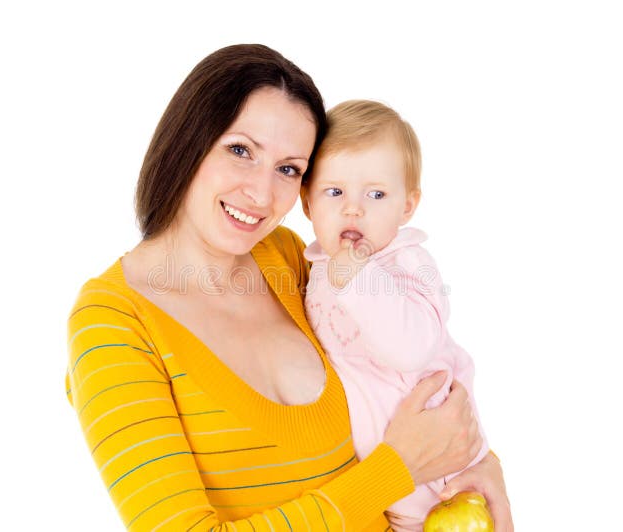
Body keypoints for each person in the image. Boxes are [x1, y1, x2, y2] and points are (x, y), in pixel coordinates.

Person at [65, 44, 513, 531]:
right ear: (188, 140)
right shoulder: (111, 323)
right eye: (241, 151)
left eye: (289, 169)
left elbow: (401, 364)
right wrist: (397, 470)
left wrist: (477, 462)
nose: (261, 194)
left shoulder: (286, 256)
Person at [300, 100, 490, 531]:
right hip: (380, 480)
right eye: (335, 192)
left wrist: (358, 278)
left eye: (376, 194)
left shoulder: (408, 263)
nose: (354, 209)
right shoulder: (316, 269)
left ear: (407, 206)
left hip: (442, 478)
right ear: (307, 203)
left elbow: (412, 349)